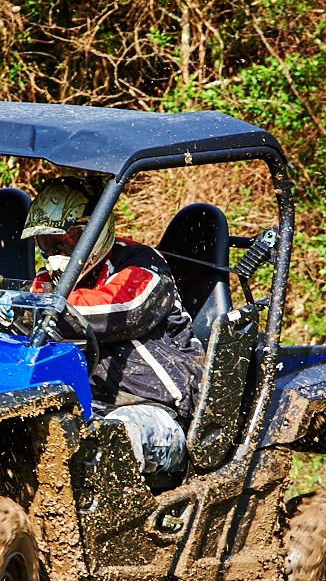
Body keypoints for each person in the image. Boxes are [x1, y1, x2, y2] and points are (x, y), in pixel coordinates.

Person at [21, 176, 203, 480]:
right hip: (92, 405)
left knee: (111, 440)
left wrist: (35, 309)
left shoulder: (142, 264)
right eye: (47, 243)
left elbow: (118, 309)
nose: (56, 252)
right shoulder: (50, 281)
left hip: (162, 413)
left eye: (67, 240)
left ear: (94, 230)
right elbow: (28, 307)